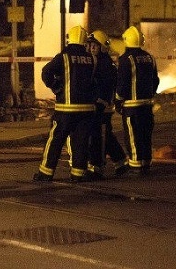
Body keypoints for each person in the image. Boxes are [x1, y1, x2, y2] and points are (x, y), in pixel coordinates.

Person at [33, 25, 98, 182]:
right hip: (86, 110)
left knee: (55, 141)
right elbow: (94, 83)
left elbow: (46, 72)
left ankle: (46, 173)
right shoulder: (92, 59)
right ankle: (77, 174)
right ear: (84, 41)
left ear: (70, 39)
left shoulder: (63, 57)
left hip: (66, 109)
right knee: (81, 143)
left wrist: (56, 87)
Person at [115, 25, 159, 177]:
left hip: (132, 107)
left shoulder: (126, 60)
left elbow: (122, 83)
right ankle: (146, 164)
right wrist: (149, 95)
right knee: (146, 136)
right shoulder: (150, 58)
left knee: (133, 137)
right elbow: (156, 81)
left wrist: (118, 100)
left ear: (127, 41)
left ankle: (135, 166)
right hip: (147, 105)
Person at [86, 30, 130, 178]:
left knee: (99, 138)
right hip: (98, 106)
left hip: (102, 108)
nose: (92, 48)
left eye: (95, 46)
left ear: (102, 47)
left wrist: (101, 103)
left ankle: (97, 168)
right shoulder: (96, 61)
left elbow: (107, 86)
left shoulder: (105, 64)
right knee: (107, 137)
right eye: (90, 45)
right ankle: (121, 162)